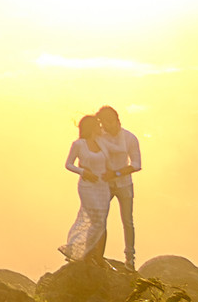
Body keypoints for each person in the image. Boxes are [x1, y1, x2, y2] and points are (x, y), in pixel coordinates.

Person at [59, 115, 111, 264]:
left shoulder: (102, 143)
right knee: (96, 221)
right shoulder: (79, 144)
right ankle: (81, 253)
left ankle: (97, 256)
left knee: (101, 221)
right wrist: (83, 172)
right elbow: (69, 164)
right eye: (98, 125)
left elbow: (111, 159)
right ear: (91, 127)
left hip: (102, 187)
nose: (101, 128)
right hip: (87, 186)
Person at [97, 105, 141, 271]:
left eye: (109, 122)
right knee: (99, 220)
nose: (107, 126)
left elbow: (136, 164)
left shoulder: (130, 138)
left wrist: (115, 173)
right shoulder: (99, 136)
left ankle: (130, 260)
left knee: (127, 221)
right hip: (104, 184)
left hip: (124, 184)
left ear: (117, 120)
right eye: (103, 123)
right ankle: (96, 255)